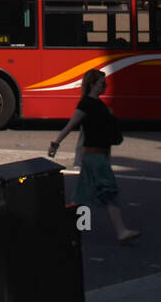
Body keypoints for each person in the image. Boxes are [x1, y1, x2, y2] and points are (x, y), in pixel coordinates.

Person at [48, 68, 139, 244]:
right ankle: (121, 231)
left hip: (96, 155)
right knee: (109, 191)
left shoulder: (99, 105)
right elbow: (71, 125)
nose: (105, 86)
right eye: (102, 83)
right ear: (92, 84)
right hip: (95, 156)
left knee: (82, 196)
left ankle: (78, 229)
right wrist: (55, 144)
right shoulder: (86, 105)